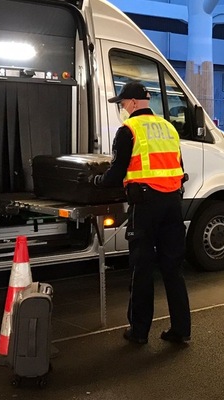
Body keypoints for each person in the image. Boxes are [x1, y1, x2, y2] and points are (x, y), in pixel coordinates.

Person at [87, 82, 191, 346]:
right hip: (172, 205)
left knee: (141, 268)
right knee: (172, 268)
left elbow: (116, 174)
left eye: (122, 104)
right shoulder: (168, 127)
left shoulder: (128, 130)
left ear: (133, 103)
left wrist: (96, 181)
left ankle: (139, 331)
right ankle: (181, 329)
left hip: (145, 207)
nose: (122, 108)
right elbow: (177, 167)